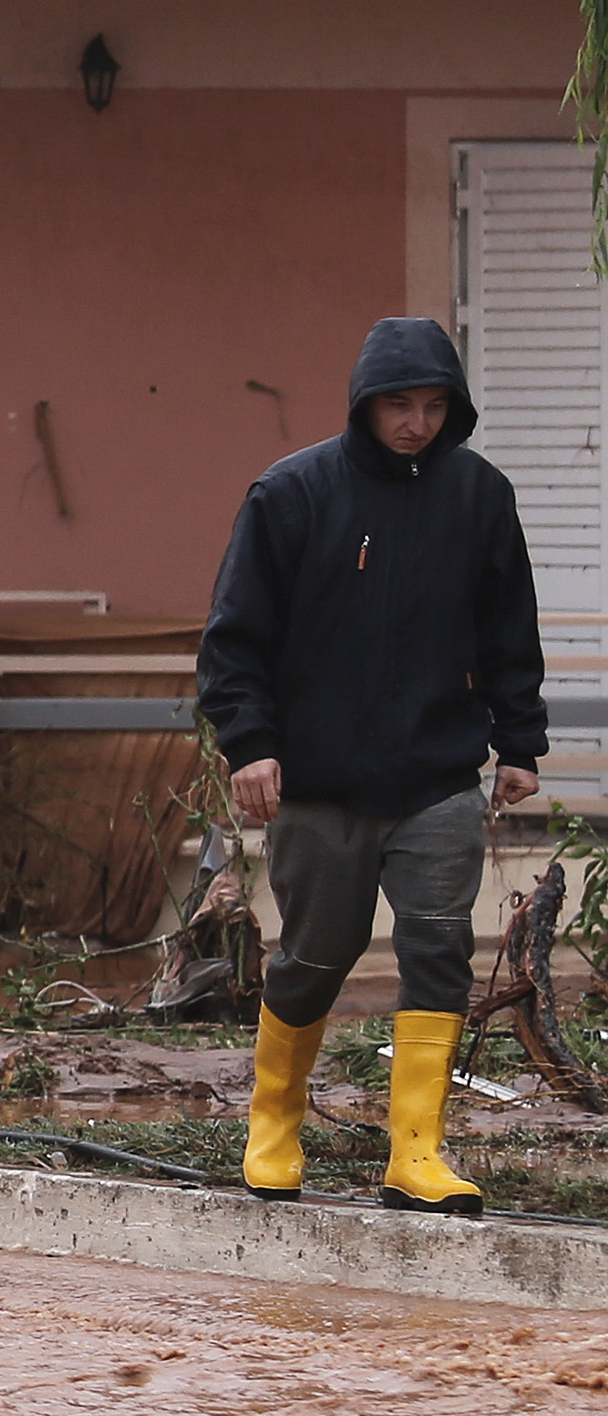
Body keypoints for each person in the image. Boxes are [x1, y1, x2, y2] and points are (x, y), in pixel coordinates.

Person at [198, 317, 546, 1215]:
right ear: (363, 403)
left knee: (438, 949)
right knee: (315, 955)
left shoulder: (478, 495)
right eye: (399, 405)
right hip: (319, 780)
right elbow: (234, 636)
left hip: (437, 776)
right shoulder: (292, 493)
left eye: (433, 406)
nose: (416, 424)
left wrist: (519, 742)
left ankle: (415, 1153)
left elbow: (508, 627)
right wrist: (249, 743)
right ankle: (273, 1126)